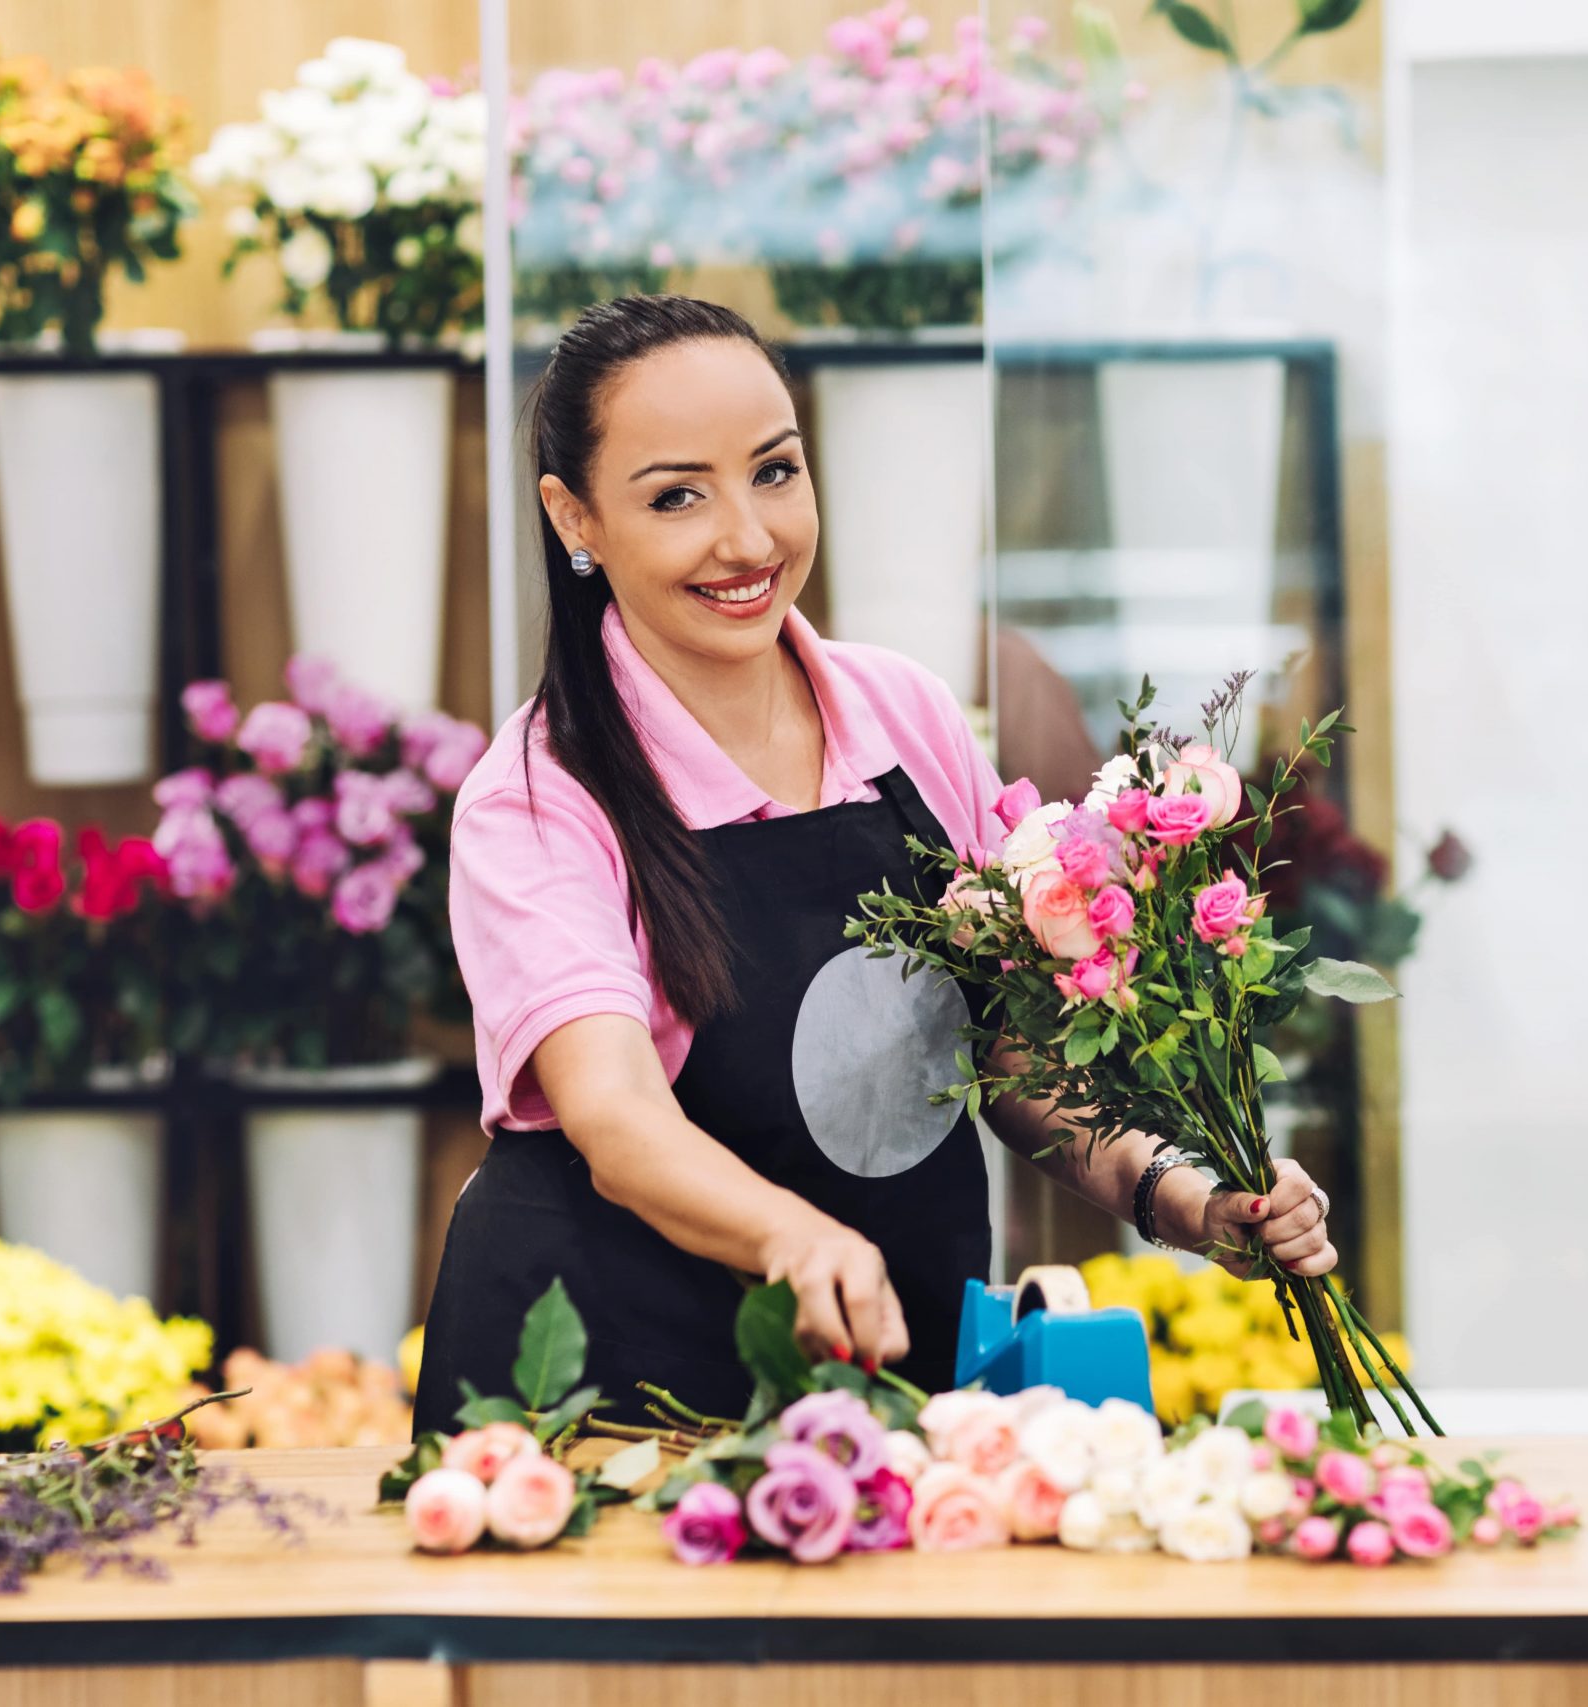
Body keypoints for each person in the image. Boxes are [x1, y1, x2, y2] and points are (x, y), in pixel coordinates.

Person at [412, 295, 1337, 1432]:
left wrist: (1184, 1195)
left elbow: (1006, 1053)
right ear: (575, 518)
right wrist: (793, 1238)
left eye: (776, 472)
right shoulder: (537, 797)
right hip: (606, 1398)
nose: (747, 539)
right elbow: (615, 1119)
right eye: (676, 496)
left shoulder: (904, 711)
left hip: (894, 1375)